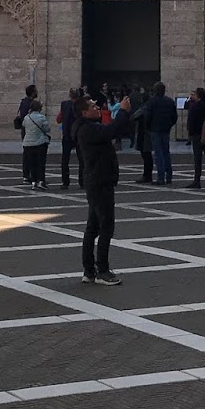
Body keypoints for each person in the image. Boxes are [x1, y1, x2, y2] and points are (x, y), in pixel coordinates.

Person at [73, 92, 137, 285]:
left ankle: (89, 271)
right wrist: (123, 111)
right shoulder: (88, 129)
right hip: (100, 181)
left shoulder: (86, 127)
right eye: (92, 106)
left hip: (96, 180)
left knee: (93, 227)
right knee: (106, 227)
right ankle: (102, 270)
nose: (97, 108)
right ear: (84, 113)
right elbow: (113, 130)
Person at [185, 86, 205, 188]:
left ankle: (197, 181)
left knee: (198, 159)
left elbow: (191, 122)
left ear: (197, 96)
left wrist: (191, 134)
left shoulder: (194, 107)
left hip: (197, 135)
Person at [145, 81, 177, 184]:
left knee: (158, 154)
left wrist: (149, 127)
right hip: (165, 129)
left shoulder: (152, 101)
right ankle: (169, 176)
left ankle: (161, 177)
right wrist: (169, 125)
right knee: (166, 152)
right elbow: (174, 117)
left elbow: (148, 116)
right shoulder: (169, 101)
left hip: (155, 129)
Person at [21, 97, 52, 188]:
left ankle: (33, 182)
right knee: (41, 163)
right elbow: (47, 129)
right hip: (40, 143)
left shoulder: (27, 117)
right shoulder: (42, 117)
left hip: (28, 143)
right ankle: (41, 180)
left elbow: (23, 125)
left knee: (32, 163)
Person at [57, 89, 79, 189]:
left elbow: (60, 118)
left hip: (67, 134)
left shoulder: (64, 104)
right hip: (78, 134)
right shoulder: (81, 104)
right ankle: (82, 181)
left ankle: (65, 182)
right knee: (82, 159)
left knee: (65, 160)